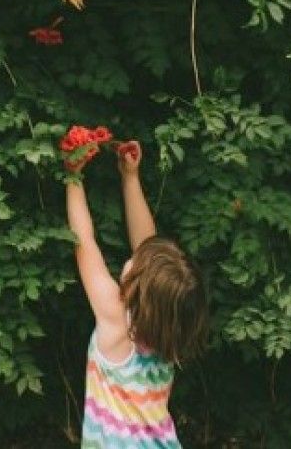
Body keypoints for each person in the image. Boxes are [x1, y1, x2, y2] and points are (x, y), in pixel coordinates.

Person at [66, 140, 209, 448]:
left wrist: (74, 175)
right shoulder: (168, 331)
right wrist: (130, 177)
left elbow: (84, 243)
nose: (133, 259)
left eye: (136, 263)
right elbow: (148, 246)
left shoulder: (117, 322)